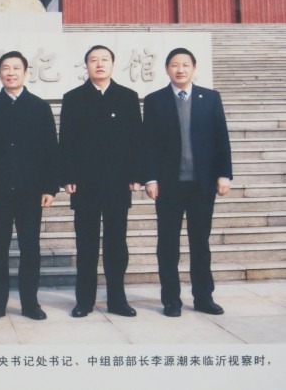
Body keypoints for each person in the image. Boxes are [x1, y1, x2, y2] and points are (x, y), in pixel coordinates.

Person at [143, 47, 232, 317]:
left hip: (202, 185)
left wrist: (224, 173)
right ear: (166, 69)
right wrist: (150, 178)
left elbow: (221, 137)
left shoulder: (211, 98)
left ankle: (204, 297)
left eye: (185, 65)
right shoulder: (155, 100)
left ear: (194, 68)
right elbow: (148, 143)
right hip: (168, 185)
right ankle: (171, 300)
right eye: (174, 64)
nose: (180, 69)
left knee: (200, 243)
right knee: (168, 245)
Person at [0, 50, 59, 322]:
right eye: (6, 68)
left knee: (30, 248)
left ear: (25, 72)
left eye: (16, 68)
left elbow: (50, 149)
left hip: (30, 191)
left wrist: (49, 187)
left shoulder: (39, 107)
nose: (11, 73)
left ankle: (30, 303)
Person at [59, 45, 143, 318]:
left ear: (112, 64)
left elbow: (136, 138)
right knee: (86, 245)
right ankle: (84, 301)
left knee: (116, 245)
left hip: (117, 182)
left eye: (104, 60)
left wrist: (136, 174)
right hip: (85, 184)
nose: (99, 64)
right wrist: (67, 175)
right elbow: (66, 140)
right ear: (86, 66)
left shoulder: (128, 97)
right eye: (93, 60)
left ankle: (117, 300)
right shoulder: (73, 98)